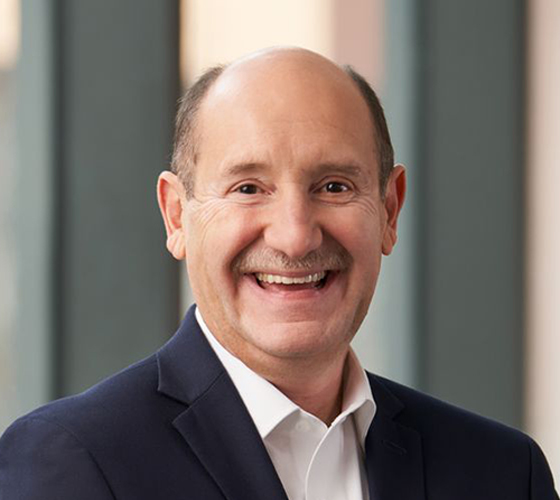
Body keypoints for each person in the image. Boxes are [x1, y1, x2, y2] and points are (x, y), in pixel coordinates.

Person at [0, 47, 557, 500]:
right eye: (248, 188)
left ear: (389, 211)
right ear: (176, 216)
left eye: (334, 186)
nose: (295, 236)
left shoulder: (505, 474)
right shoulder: (74, 463)